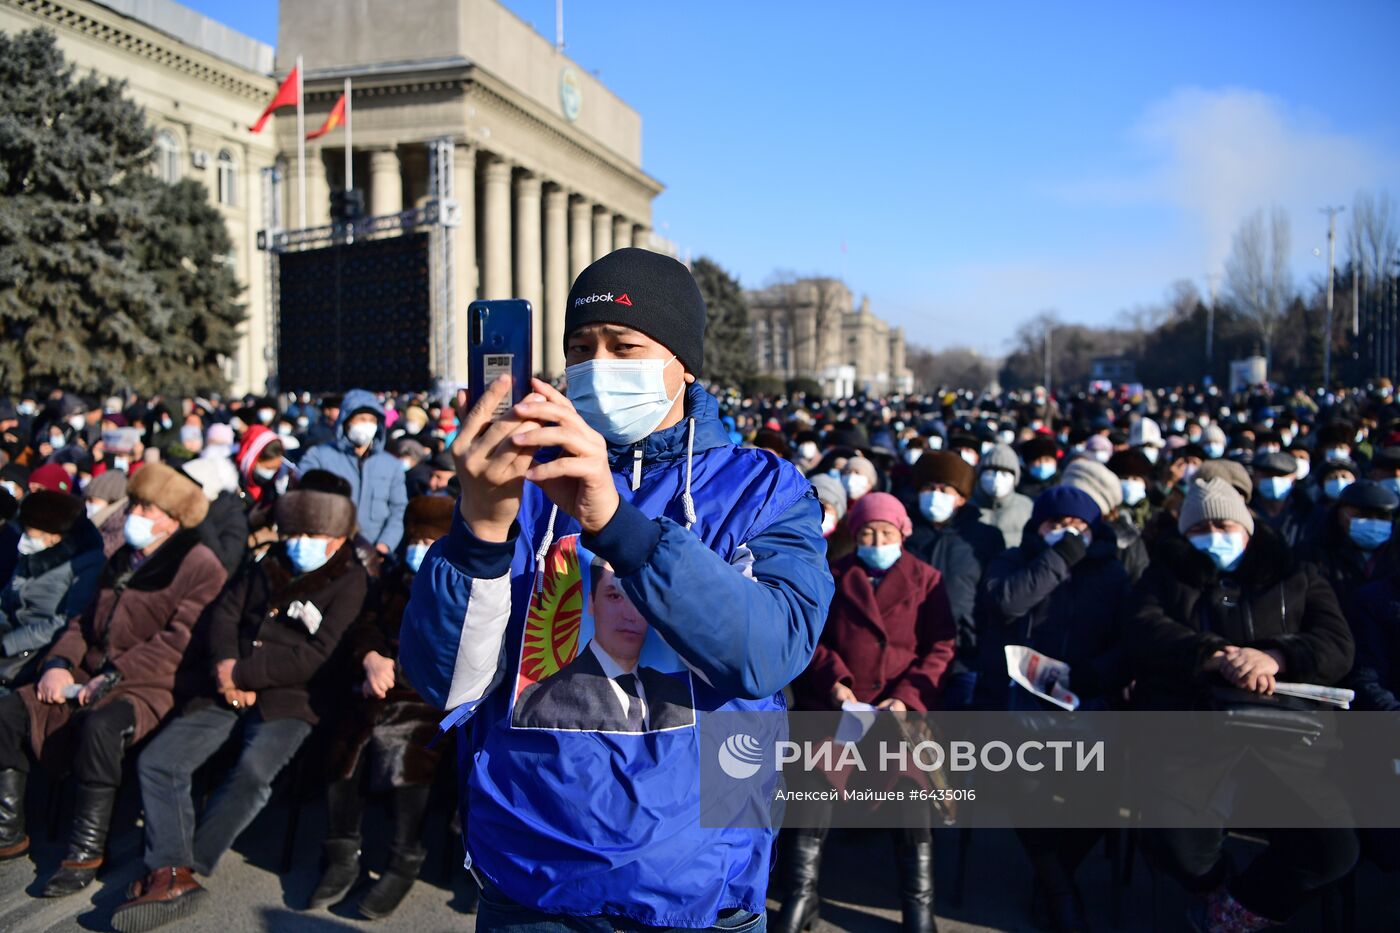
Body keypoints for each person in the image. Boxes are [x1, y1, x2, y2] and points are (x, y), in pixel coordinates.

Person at [400, 247, 833, 929]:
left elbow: (767, 653)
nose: (598, 365)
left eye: (623, 345)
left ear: (682, 363)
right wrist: (481, 529)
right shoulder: (521, 482)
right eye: (580, 346)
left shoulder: (763, 488)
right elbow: (446, 681)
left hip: (695, 886)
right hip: (528, 880)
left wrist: (618, 525)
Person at [114, 483, 366, 932]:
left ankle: (184, 866)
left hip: (292, 699)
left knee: (253, 772)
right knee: (160, 761)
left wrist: (245, 675)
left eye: (312, 535)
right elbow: (225, 613)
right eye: (294, 533)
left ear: (339, 537)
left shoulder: (351, 581)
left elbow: (317, 655)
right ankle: (172, 873)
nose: (298, 543)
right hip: (226, 684)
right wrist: (227, 666)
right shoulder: (267, 562)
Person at [1128, 477, 1357, 931]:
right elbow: (1143, 630)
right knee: (1174, 841)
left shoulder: (1298, 574)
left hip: (1288, 740)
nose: (1215, 535)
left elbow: (1336, 644)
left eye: (1224, 524)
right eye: (1201, 528)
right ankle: (1211, 890)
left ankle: (1241, 906)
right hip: (1194, 737)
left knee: (1332, 849)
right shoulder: (1163, 576)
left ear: (1247, 527)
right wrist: (1215, 656)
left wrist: (1274, 656)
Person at [0, 464, 224, 896]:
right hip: (90, 670)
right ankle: (9, 832)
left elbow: (176, 643)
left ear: (173, 516)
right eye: (135, 503)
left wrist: (111, 677)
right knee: (9, 713)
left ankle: (85, 850)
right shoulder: (123, 556)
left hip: (151, 682)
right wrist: (58, 664)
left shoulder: (200, 565)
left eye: (147, 507)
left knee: (102, 728)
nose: (135, 513)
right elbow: (84, 621)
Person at [779, 491, 955, 933]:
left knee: (913, 796)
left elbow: (942, 646)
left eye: (886, 533)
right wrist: (836, 684)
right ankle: (802, 896)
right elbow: (812, 637)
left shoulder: (927, 579)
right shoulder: (835, 574)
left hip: (900, 715)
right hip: (843, 712)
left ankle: (919, 908)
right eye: (868, 533)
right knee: (815, 783)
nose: (877, 541)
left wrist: (908, 697)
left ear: (902, 534)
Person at [312, 496, 455, 918]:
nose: (420, 547)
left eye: (432, 539)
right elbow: (367, 624)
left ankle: (405, 855)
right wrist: (371, 657)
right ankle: (343, 851)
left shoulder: (462, 584)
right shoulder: (392, 579)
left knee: (403, 749)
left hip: (433, 695)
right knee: (348, 742)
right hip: (379, 687)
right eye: (416, 538)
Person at [514, 558, 695, 732]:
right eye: (615, 596)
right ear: (592, 603)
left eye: (639, 597)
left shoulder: (676, 693)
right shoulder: (542, 698)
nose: (630, 615)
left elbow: (713, 754)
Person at [904, 451, 1003, 708]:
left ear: (961, 498)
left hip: (964, 656)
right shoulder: (903, 531)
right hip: (908, 651)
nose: (935, 494)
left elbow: (991, 595)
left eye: (945, 489)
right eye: (929, 487)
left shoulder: (983, 537)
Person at [0, 492, 104, 692]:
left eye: (30, 533)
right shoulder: (31, 556)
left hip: (37, 653)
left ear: (54, 536)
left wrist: (9, 642)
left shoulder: (86, 567)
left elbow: (66, 620)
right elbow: (6, 597)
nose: (24, 538)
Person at [299, 389, 408, 557]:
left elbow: (398, 509)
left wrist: (385, 545)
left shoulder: (391, 464)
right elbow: (307, 500)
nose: (367, 424)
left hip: (375, 554)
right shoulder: (319, 456)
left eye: (372, 420)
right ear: (346, 421)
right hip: (330, 552)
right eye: (361, 419)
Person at [972, 443, 1032, 548]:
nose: (997, 479)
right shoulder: (966, 506)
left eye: (1005, 474)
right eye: (990, 472)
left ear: (1015, 478)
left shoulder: (1026, 507)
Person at [83, 468, 130, 557]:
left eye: (91, 501)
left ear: (112, 503)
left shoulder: (117, 535)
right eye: (86, 500)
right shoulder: (90, 527)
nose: (87, 504)